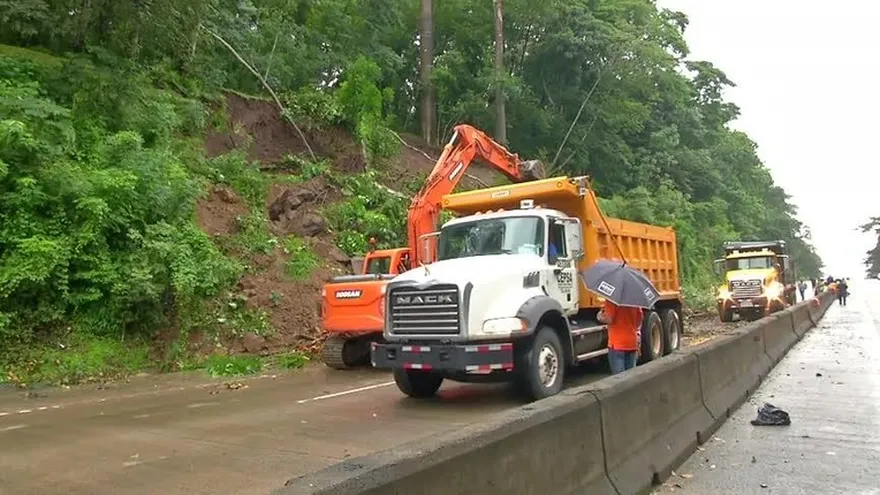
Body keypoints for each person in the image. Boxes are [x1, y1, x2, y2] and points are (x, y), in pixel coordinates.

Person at [597, 299, 644, 374]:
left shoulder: (611, 300)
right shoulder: (634, 301)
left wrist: (600, 316)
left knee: (620, 378)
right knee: (631, 376)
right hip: (632, 343)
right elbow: (639, 320)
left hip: (617, 345)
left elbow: (609, 319)